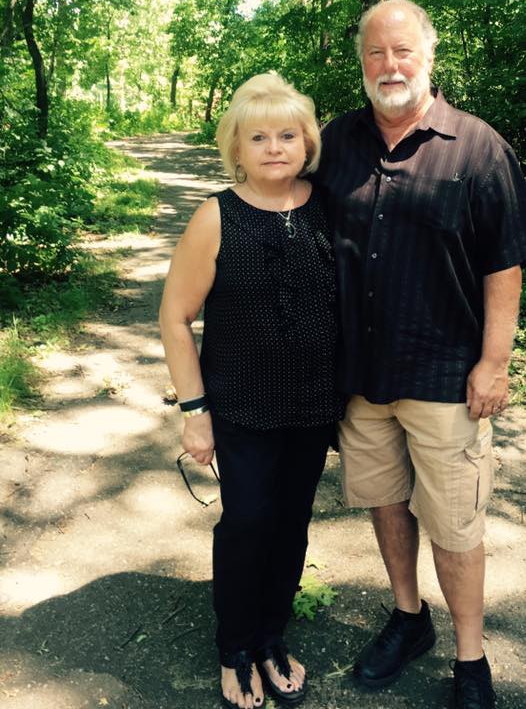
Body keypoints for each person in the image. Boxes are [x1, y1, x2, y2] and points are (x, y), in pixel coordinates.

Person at [314, 0, 526, 709]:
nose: (390, 66)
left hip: (445, 374)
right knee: (386, 501)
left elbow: (505, 263)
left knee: (454, 523)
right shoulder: (336, 141)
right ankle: (408, 617)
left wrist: (494, 362)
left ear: (428, 57)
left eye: (403, 51)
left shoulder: (478, 148)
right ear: (362, 62)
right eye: (376, 53)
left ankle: (470, 659)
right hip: (362, 376)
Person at [159, 72, 343, 709]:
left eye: (287, 135)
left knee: (292, 524)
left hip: (313, 406)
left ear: (307, 142)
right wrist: (195, 411)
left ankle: (270, 637)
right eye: (258, 137)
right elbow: (175, 317)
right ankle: (235, 647)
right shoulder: (216, 216)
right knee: (247, 523)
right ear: (236, 147)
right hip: (240, 406)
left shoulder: (328, 205)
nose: (273, 148)